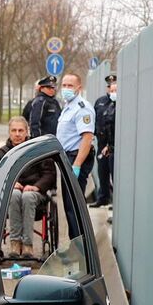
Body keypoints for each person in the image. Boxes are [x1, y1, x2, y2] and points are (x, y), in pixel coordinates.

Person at [0, 116, 58, 258]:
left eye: (20, 130)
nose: (17, 134)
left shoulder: (38, 151)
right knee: (15, 194)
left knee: (27, 196)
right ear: (9, 133)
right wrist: (10, 183)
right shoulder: (1, 154)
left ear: (26, 132)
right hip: (12, 196)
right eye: (14, 130)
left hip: (36, 195)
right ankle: (15, 244)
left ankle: (28, 245)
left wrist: (36, 186)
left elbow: (49, 174)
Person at [54, 73, 96, 206]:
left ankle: (76, 228)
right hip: (67, 157)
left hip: (76, 157)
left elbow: (87, 138)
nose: (66, 89)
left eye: (70, 86)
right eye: (64, 85)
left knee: (74, 204)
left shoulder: (82, 108)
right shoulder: (68, 106)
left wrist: (77, 165)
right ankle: (73, 228)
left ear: (79, 88)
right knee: (68, 203)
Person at [94, 72, 117, 211]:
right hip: (102, 142)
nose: (111, 91)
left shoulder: (119, 103)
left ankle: (114, 200)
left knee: (114, 173)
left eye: (114, 88)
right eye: (110, 88)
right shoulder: (100, 101)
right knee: (102, 170)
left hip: (113, 143)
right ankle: (103, 197)